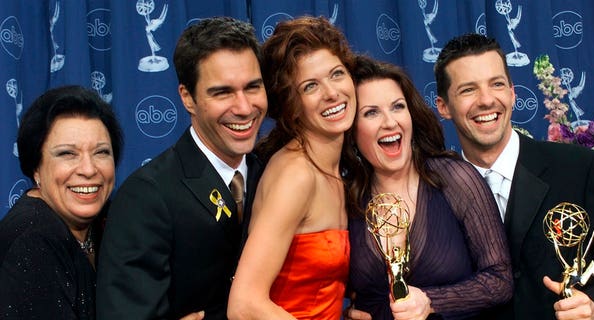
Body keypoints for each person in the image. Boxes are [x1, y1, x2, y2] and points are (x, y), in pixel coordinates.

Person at [435, 33, 594, 320]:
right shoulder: (434, 192)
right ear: (443, 106)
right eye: (468, 90)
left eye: (496, 84)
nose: (486, 100)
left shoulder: (580, 169)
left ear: (512, 93)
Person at [96, 17, 267, 319]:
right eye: (222, 92)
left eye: (252, 87)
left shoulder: (273, 173)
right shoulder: (146, 196)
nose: (243, 107)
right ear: (187, 97)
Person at [341, 55, 513, 320]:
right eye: (371, 112)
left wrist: (431, 301)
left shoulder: (454, 178)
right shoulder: (346, 197)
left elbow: (500, 280)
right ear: (352, 129)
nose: (390, 122)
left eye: (398, 107)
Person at [227, 16, 355, 319]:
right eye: (311, 86)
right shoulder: (296, 174)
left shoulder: (337, 169)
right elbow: (244, 304)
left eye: (337, 74)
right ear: (291, 105)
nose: (332, 93)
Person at [0, 85, 123, 319]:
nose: (88, 169)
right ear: (36, 166)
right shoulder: (31, 241)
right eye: (67, 154)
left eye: (101, 152)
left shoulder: (111, 220)